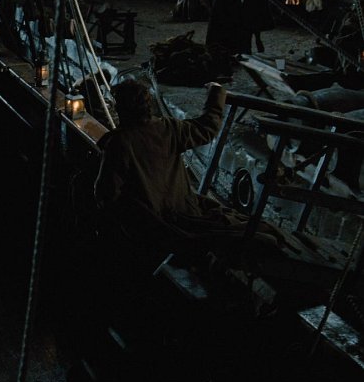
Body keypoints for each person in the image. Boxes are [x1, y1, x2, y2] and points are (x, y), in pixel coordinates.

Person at [94, 80, 294, 257]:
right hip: (185, 208)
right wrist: (216, 94)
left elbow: (106, 193)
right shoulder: (169, 128)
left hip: (154, 221)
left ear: (122, 109)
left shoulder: (119, 142)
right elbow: (207, 128)